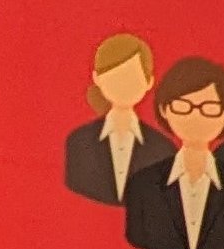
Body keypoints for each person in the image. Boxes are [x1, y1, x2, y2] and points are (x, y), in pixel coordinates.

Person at [123, 55, 224, 249]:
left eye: (209, 107)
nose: (195, 117)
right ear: (164, 110)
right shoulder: (142, 185)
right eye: (183, 105)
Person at [62, 30, 156, 202]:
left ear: (149, 81)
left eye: (131, 77)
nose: (123, 85)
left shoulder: (162, 149)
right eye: (114, 77)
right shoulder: (77, 142)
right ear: (97, 78)